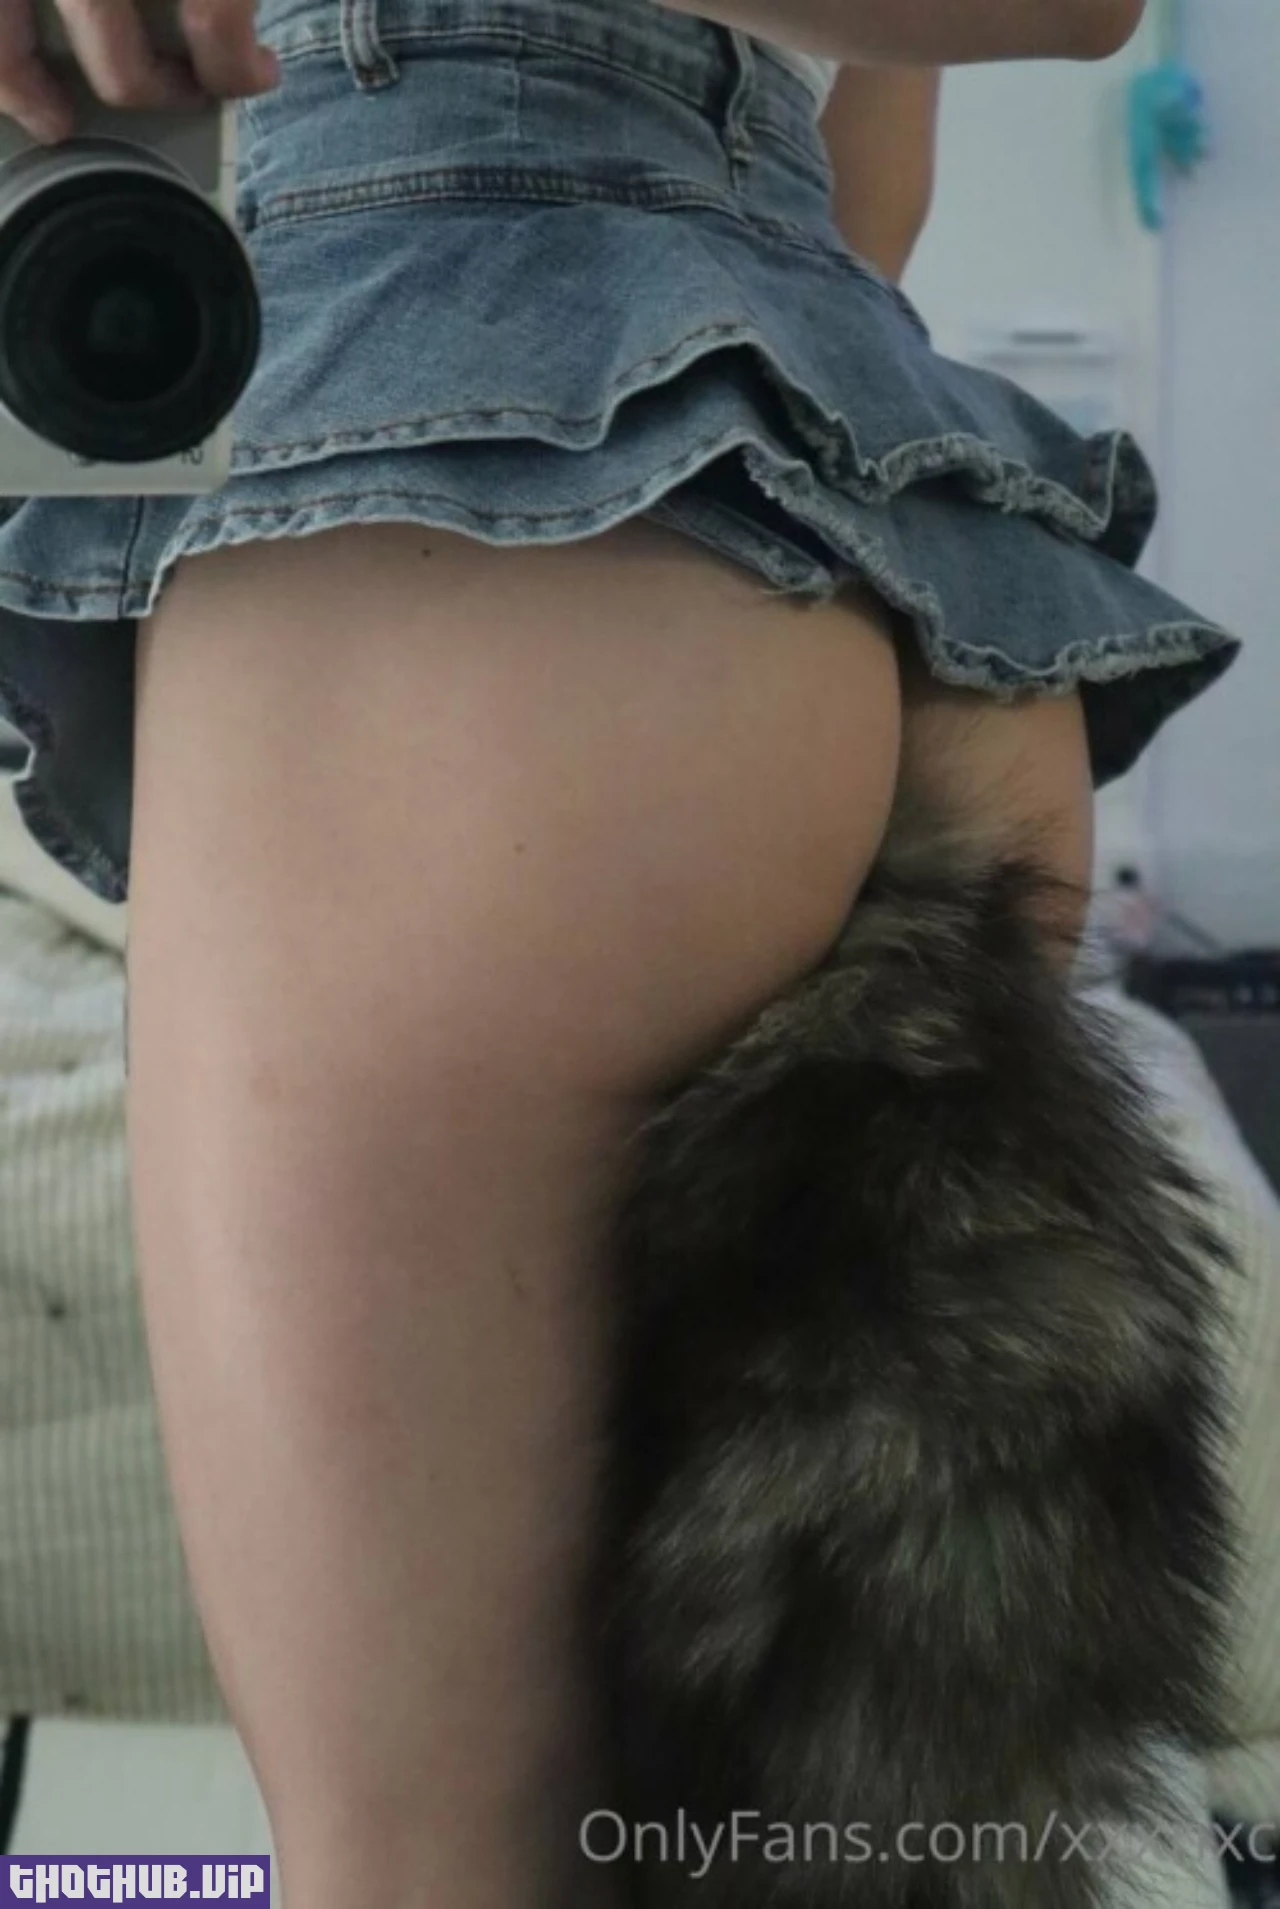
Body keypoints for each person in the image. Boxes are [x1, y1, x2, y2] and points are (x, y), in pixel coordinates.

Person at [0, 3, 1241, 1906]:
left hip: (467, 468)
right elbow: (904, 169)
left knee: (431, 1865)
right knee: (846, 1857)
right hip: (895, 522)